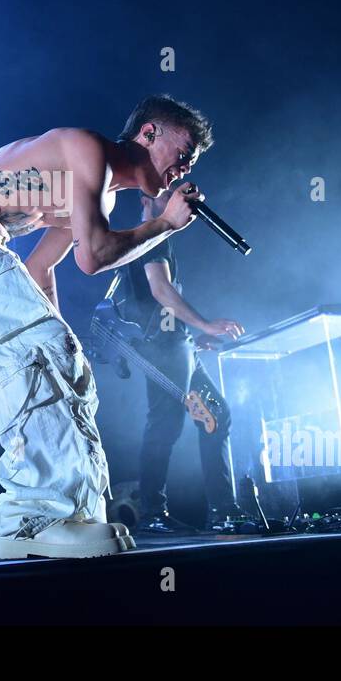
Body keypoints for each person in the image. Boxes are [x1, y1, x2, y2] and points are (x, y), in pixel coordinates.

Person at [0, 94, 213, 558]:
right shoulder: (88, 149)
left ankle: (62, 517)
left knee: (66, 371)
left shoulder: (102, 194)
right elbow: (93, 257)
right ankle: (35, 517)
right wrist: (167, 226)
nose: (184, 168)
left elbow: (42, 269)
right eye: (184, 152)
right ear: (149, 133)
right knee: (51, 359)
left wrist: (59, 340)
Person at [118, 185, 248, 533]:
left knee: (213, 415)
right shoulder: (152, 237)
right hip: (164, 348)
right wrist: (203, 323)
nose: (181, 202)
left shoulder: (154, 238)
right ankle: (153, 515)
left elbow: (159, 300)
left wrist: (193, 335)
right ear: (147, 202)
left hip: (175, 344)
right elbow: (161, 290)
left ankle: (220, 512)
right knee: (167, 423)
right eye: (168, 195)